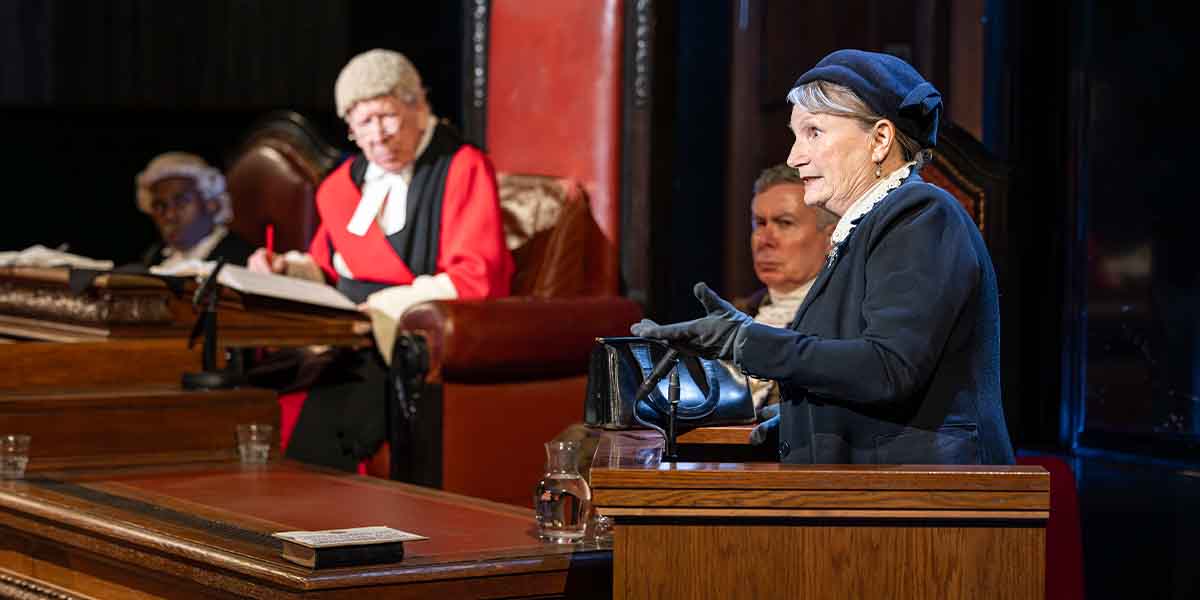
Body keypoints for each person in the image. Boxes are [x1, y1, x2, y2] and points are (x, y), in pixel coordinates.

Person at [633, 49, 1015, 465]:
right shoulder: (868, 228)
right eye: (796, 136)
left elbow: (888, 369)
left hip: (929, 508)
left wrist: (747, 342)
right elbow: (851, 372)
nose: (795, 156)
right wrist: (797, 418)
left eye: (814, 132)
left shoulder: (919, 216)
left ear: (880, 140)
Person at [248, 49, 513, 471]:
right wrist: (287, 269)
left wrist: (383, 309)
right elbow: (329, 266)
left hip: (402, 336)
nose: (377, 136)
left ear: (418, 106)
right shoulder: (343, 185)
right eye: (362, 124)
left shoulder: (462, 168)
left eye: (385, 117)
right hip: (343, 332)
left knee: (326, 423)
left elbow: (475, 277)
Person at [738, 164, 835, 413]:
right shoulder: (736, 314)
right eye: (759, 223)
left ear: (830, 238)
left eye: (784, 223)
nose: (764, 240)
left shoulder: (841, 324)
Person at [135, 152, 254, 269]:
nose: (169, 215)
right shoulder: (153, 258)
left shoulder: (242, 261)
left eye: (181, 202)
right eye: (160, 206)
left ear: (211, 203)